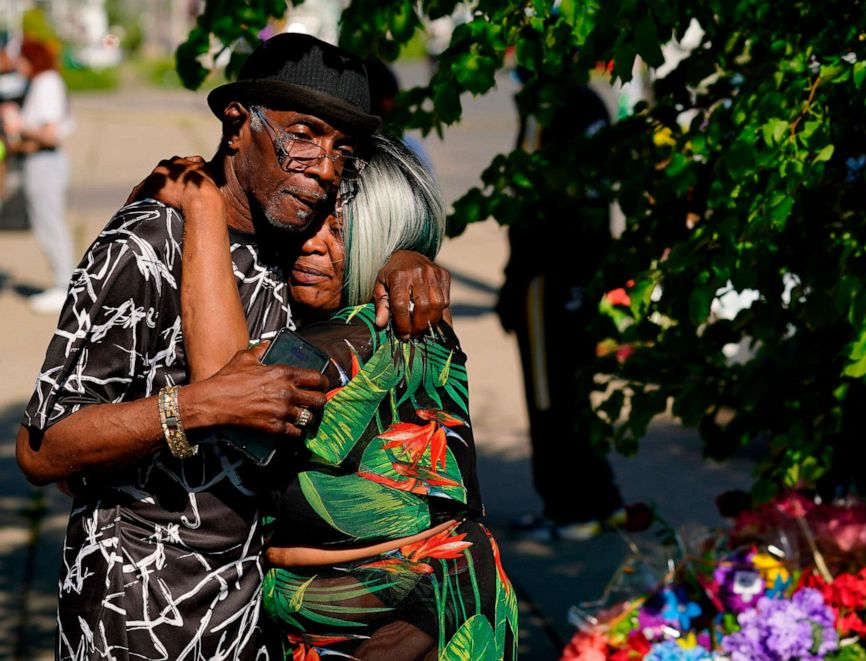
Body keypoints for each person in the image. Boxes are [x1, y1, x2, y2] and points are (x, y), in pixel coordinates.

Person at [16, 34, 450, 660]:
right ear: (238, 124)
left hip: (251, 616)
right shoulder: (145, 247)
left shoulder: (296, 243)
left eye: (341, 151)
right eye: (304, 134)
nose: (325, 169)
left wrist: (407, 255)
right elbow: (41, 449)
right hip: (134, 613)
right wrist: (196, 406)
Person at [175, 132, 516, 659]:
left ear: (380, 240)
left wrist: (201, 207)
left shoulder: (356, 338)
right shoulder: (415, 315)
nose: (312, 245)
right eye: (309, 224)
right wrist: (405, 252)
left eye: (340, 232)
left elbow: (224, 391)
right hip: (419, 608)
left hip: (409, 622)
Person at [498, 80, 626, 541]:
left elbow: (528, 194)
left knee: (550, 393)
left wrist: (515, 278)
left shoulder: (548, 100)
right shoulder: (591, 100)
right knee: (575, 388)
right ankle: (600, 495)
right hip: (585, 268)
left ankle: (569, 507)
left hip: (548, 273)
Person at [2, 38, 74, 313]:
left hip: (46, 164)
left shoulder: (47, 83)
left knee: (50, 226)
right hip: (38, 163)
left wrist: (19, 124)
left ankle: (63, 285)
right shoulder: (40, 83)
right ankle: (62, 283)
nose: (16, 65)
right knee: (47, 224)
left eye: (19, 58)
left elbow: (50, 133)